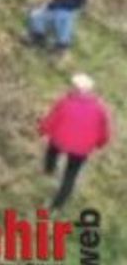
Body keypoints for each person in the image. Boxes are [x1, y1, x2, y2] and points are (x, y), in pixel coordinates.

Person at [38, 73, 112, 210]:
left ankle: (49, 169)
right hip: (82, 148)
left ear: (74, 89)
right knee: (71, 175)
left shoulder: (65, 102)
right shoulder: (100, 109)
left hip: (60, 140)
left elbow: (52, 119)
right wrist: (101, 144)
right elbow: (104, 131)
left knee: (52, 149)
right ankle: (57, 205)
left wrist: (42, 130)